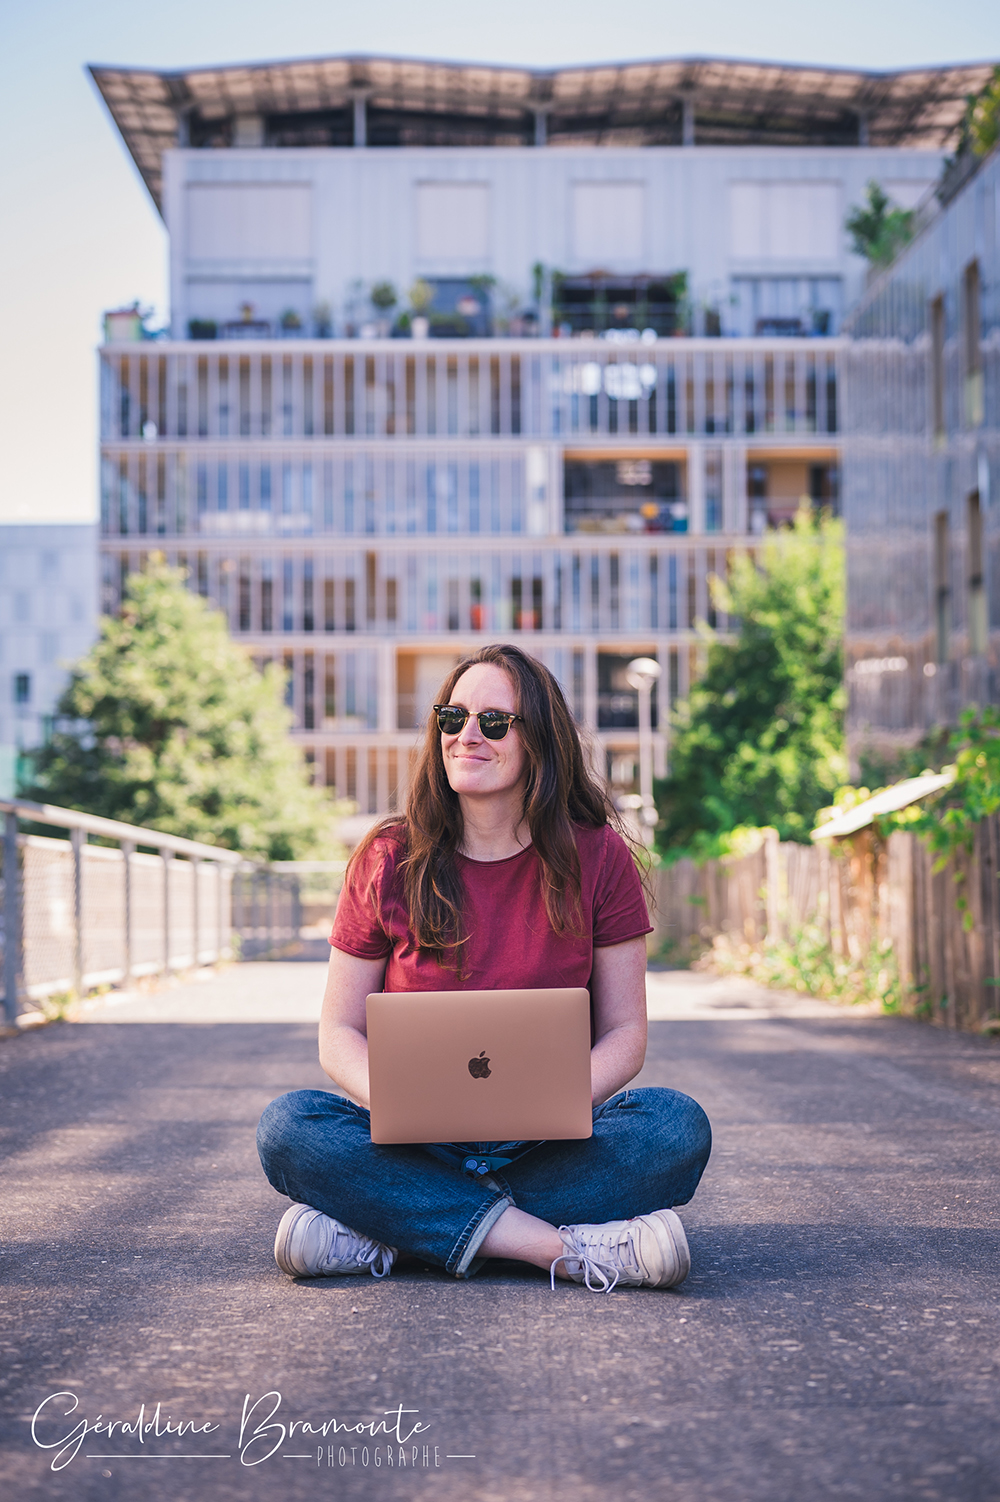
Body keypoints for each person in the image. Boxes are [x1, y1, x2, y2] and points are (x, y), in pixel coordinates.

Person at [257, 644, 711, 1292]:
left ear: (539, 743)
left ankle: (389, 1230)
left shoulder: (599, 857)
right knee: (288, 1129)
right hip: (414, 1144)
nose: (466, 735)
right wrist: (403, 1104)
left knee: (675, 1127)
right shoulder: (389, 856)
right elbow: (337, 1034)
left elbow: (625, 1036)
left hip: (548, 1143)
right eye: (452, 717)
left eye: (493, 722)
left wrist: (548, 1104)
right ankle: (563, 1249)